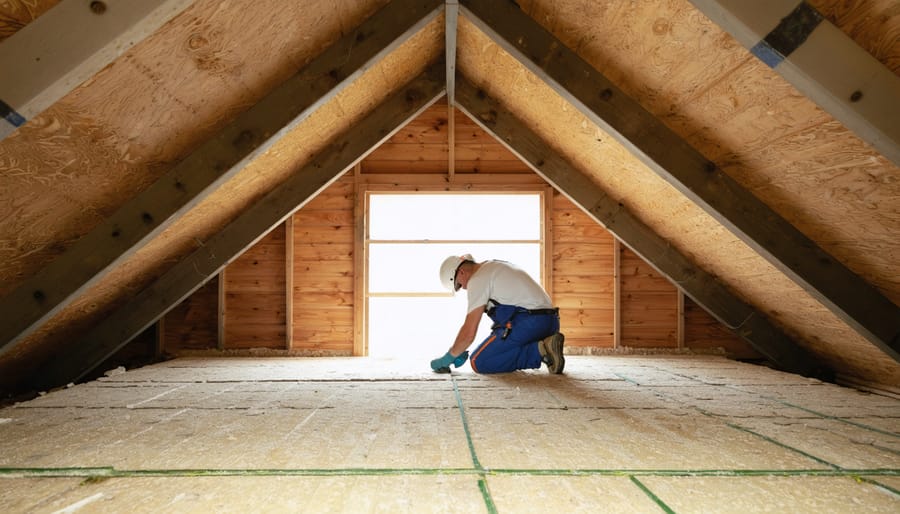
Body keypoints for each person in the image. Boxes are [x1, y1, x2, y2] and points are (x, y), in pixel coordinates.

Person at [430, 254, 565, 374]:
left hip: (530, 323)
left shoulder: (477, 280)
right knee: (496, 344)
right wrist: (461, 348)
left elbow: (469, 331)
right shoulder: (493, 266)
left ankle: (541, 351)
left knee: (479, 361)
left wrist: (450, 356)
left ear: (461, 272)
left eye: (459, 285)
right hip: (551, 322)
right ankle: (547, 345)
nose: (464, 288)